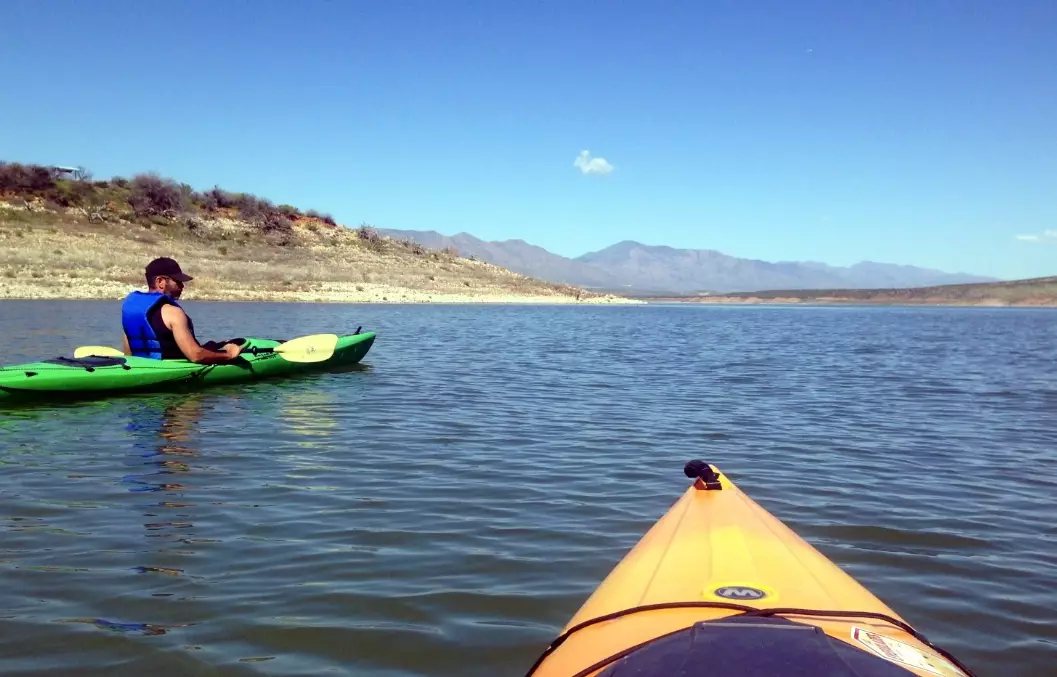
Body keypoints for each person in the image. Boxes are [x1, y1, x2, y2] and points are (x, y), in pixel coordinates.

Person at [120, 257, 242, 363]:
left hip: (142, 365)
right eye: (177, 281)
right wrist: (228, 355)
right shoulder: (173, 313)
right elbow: (196, 356)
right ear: (160, 282)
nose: (182, 286)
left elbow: (128, 353)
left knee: (213, 345)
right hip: (175, 367)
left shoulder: (133, 311)